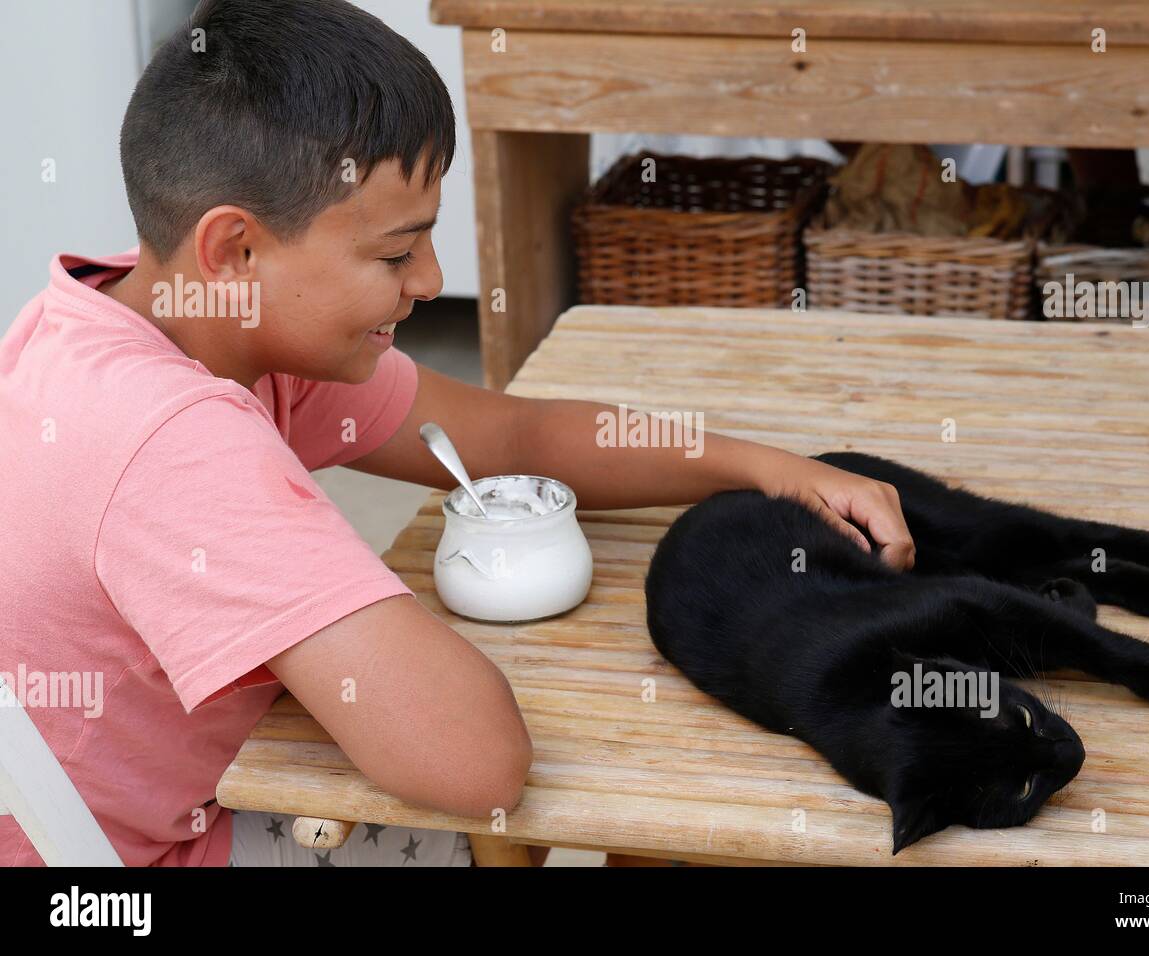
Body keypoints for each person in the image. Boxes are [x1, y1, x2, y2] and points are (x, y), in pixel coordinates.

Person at [0, 0, 913, 867]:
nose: (432, 279)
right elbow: (473, 762)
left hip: (132, 805)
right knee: (556, 798)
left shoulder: (162, 313)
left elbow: (512, 437)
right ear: (234, 248)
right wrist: (308, 558)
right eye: (395, 253)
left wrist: (764, 468)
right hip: (120, 872)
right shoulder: (173, 442)